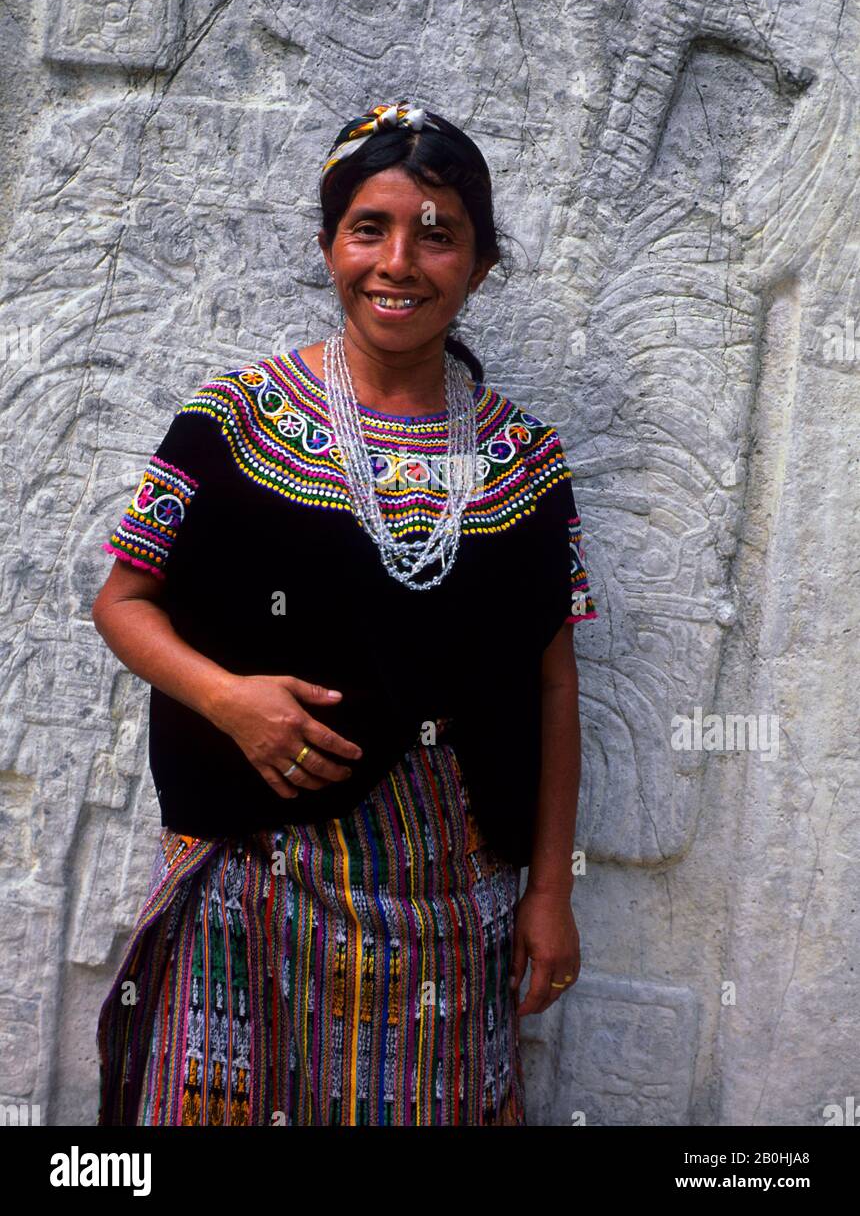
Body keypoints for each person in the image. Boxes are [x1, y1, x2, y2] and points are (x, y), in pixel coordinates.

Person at [92, 100, 598, 1127]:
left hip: (449, 902)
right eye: (369, 228)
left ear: (480, 265)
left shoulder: (526, 463)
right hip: (252, 881)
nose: (399, 261)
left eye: (437, 233)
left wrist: (552, 891)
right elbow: (123, 598)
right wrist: (230, 701)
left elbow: (552, 680)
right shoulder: (232, 419)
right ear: (329, 246)